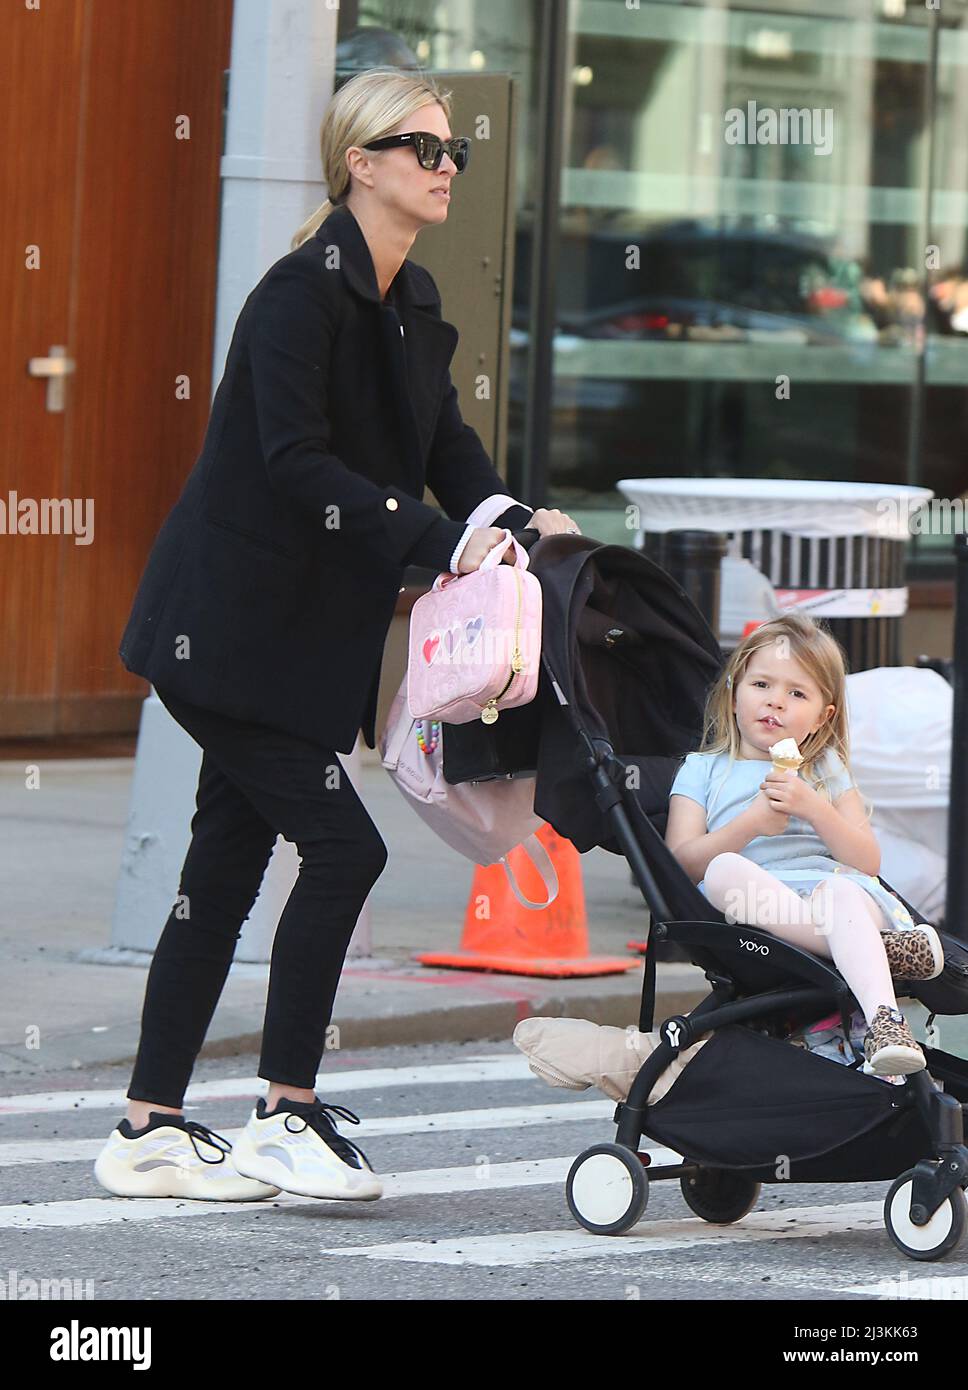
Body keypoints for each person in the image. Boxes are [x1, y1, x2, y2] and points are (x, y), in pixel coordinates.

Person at [94, 66, 581, 1205]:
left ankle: (146, 1128)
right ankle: (285, 1110)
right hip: (220, 638)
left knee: (220, 871)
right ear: (359, 163)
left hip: (289, 646)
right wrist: (433, 543)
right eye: (421, 148)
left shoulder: (410, 306)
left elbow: (446, 452)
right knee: (344, 848)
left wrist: (512, 520)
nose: (446, 163)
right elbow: (292, 464)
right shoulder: (296, 299)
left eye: (452, 147)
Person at [663, 612, 944, 1078]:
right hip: (757, 905)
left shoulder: (825, 769)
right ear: (734, 691)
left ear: (822, 716)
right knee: (722, 870)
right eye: (762, 686)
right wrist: (750, 824)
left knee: (840, 894)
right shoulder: (703, 769)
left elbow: (867, 860)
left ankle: (885, 1023)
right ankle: (875, 950)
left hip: (839, 897)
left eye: (797, 693)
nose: (775, 702)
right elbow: (683, 863)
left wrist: (817, 809)